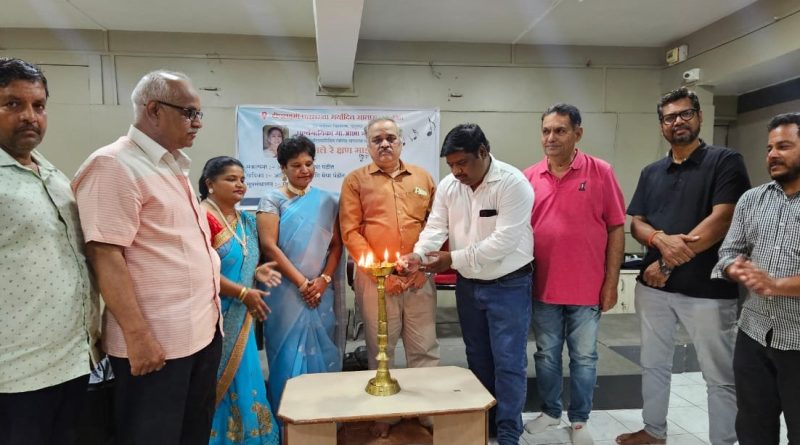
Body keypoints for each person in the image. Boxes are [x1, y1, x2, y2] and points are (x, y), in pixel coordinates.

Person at [73, 70, 224, 444]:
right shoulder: (113, 164)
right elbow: (105, 255)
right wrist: (138, 337)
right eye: (190, 113)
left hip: (200, 334)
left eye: (199, 113)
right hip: (156, 344)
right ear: (154, 109)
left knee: (192, 433)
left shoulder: (172, 165)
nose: (198, 123)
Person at [616, 87, 750, 445]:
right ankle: (653, 431)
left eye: (685, 113)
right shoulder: (652, 171)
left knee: (718, 375)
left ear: (699, 116)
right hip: (654, 290)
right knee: (653, 363)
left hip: (707, 290)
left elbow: (722, 219)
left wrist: (666, 263)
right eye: (669, 117)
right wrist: (659, 239)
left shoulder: (725, 161)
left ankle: (723, 441)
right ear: (661, 125)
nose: (677, 121)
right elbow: (637, 223)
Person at [402, 123, 534, 445]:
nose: (457, 171)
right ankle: (485, 424)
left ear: (483, 152)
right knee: (477, 357)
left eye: (462, 163)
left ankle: (509, 433)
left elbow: (503, 242)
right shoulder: (450, 185)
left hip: (509, 285)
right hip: (469, 285)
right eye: (451, 165)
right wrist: (418, 254)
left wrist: (452, 259)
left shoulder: (513, 183)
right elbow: (436, 227)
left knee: (508, 361)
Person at [0, 57, 100, 445]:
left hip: (73, 360)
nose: (30, 116)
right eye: (13, 104)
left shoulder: (52, 174)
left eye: (38, 106)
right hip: (16, 373)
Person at [523, 104, 626, 445]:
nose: (551, 138)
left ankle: (580, 420)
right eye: (546, 131)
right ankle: (551, 412)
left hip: (587, 288)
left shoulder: (601, 172)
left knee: (584, 357)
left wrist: (611, 283)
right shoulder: (528, 177)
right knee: (546, 355)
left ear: (577, 133)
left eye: (560, 130)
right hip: (543, 288)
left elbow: (616, 228)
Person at [339, 117, 439, 438]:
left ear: (401, 142)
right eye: (377, 139)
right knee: (381, 347)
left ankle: (427, 409)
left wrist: (424, 267)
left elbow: (437, 226)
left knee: (424, 346)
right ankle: (386, 411)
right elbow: (351, 231)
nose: (384, 144)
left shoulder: (423, 178)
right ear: (368, 146)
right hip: (376, 280)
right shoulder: (355, 181)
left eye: (390, 138)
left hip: (419, 278)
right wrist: (381, 276)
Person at [712, 112, 800, 445]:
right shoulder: (752, 200)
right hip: (754, 335)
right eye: (769, 148)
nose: (773, 154)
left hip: (798, 340)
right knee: (753, 429)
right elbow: (727, 253)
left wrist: (776, 285)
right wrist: (733, 268)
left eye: (784, 146)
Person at [256, 134, 345, 413]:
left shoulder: (327, 200)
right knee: (286, 352)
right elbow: (269, 247)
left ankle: (323, 416)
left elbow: (336, 245)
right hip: (285, 292)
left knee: (322, 348)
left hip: (320, 291)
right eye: (296, 165)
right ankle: (289, 418)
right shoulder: (271, 200)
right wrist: (303, 284)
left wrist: (323, 280)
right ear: (283, 167)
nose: (304, 170)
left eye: (309, 163)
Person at [199, 156, 281, 445]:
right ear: (210, 184)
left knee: (246, 377)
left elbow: (243, 261)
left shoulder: (245, 220)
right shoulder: (203, 218)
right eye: (231, 179)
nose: (240, 185)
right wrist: (243, 293)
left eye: (243, 179)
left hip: (242, 317)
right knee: (214, 383)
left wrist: (257, 273)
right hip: (213, 320)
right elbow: (203, 272)